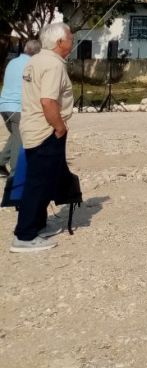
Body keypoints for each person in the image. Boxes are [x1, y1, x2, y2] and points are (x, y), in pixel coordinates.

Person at [11, 23, 75, 253]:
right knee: (37, 184)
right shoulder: (53, 65)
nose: (72, 40)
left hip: (32, 128)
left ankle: (37, 225)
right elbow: (48, 101)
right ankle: (25, 235)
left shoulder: (35, 60)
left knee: (44, 180)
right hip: (45, 131)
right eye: (70, 37)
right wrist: (59, 128)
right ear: (60, 42)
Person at [0, 39, 41, 177]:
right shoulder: (32, 65)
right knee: (20, 140)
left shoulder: (12, 62)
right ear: (37, 53)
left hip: (4, 106)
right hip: (18, 107)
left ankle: (1, 162)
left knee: (15, 135)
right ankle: (15, 174)